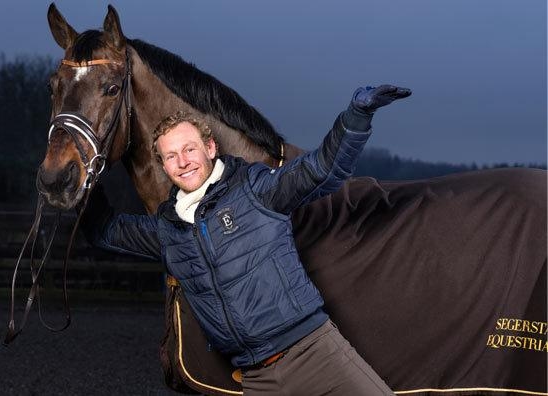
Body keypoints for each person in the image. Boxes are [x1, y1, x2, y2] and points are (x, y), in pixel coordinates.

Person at [83, 85, 411, 395]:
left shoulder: (255, 190)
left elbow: (322, 170)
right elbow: (104, 230)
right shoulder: (168, 232)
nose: (182, 162)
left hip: (314, 353)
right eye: (171, 156)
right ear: (164, 166)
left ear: (210, 148)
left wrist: (356, 117)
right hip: (256, 377)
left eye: (189, 149)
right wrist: (80, 177)